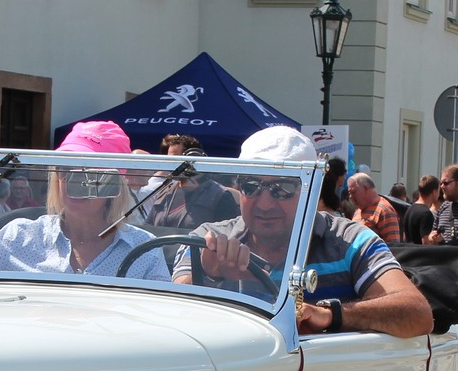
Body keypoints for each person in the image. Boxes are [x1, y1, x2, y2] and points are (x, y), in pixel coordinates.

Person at [182, 127, 431, 339]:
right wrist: (209, 275)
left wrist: (330, 315)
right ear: (237, 186)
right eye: (251, 185)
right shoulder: (208, 239)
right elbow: (171, 317)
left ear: (311, 190)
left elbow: (417, 313)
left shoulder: (351, 241)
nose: (265, 203)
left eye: (283, 187)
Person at [0, 121, 167, 281]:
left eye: (89, 172)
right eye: (65, 168)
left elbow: (162, 325)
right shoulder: (19, 237)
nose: (71, 180)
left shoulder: (144, 252)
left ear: (113, 183)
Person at [347, 172, 401, 242]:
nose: (350, 197)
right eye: (349, 193)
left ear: (366, 188)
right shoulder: (358, 210)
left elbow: (393, 246)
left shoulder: (384, 210)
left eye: (353, 192)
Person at [401, 175, 440, 244]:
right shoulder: (426, 214)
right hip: (419, 254)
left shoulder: (410, 209)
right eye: (438, 190)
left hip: (408, 252)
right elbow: (425, 243)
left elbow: (404, 237)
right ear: (434, 192)